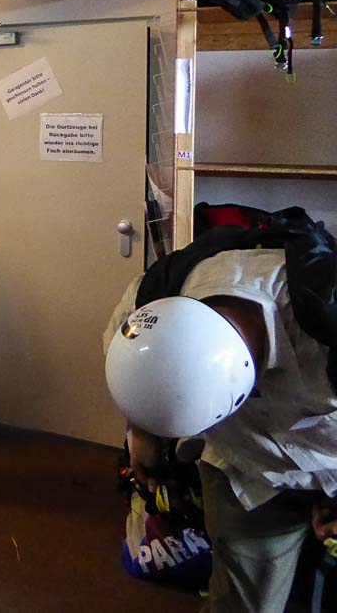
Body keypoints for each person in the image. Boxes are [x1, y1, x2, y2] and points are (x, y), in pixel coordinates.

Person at [104, 249, 337, 612]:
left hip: (329, 459)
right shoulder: (151, 301)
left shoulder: (323, 335)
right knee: (245, 602)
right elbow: (133, 366)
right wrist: (142, 432)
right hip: (244, 465)